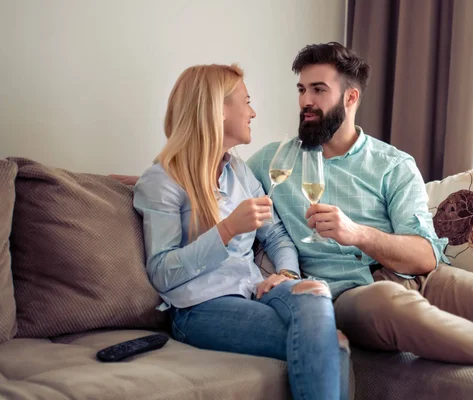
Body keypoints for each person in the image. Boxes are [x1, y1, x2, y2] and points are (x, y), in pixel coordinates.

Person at [245, 42, 473, 391]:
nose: (306, 100)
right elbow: (221, 189)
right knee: (394, 305)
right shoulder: (274, 161)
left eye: (319, 90)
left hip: (423, 279)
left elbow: (426, 257)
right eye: (302, 89)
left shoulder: (392, 164)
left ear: (350, 98)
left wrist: (358, 234)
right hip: (351, 295)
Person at [131, 64, 350, 400]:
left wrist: (286, 272)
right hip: (199, 308)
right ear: (218, 109)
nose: (253, 112)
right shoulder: (162, 180)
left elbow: (275, 236)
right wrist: (228, 229)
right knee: (330, 341)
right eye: (245, 102)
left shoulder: (239, 172)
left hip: (252, 289)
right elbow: (162, 273)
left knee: (314, 290)